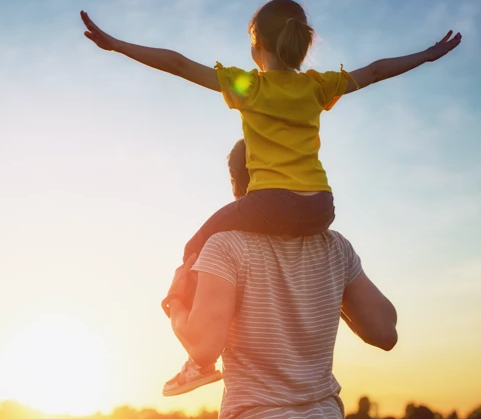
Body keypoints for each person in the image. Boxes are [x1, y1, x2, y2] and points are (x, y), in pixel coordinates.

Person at [80, 0, 461, 393]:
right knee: (235, 235)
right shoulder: (318, 86)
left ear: (256, 45)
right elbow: (378, 70)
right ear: (301, 43)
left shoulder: (251, 86)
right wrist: (428, 55)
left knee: (196, 244)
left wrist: (120, 45)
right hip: (320, 207)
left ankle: (200, 361)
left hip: (270, 203)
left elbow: (178, 64)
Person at [163, 137, 399, 418]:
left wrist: (174, 300)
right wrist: (332, 290)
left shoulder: (225, 246)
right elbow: (385, 332)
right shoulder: (335, 247)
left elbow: (203, 349)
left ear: (237, 187)